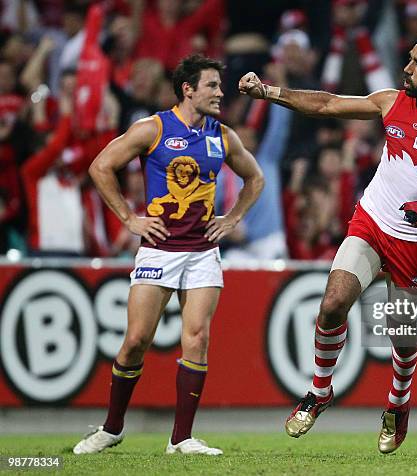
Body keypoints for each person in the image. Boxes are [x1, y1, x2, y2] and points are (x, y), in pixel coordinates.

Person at [239, 33, 417, 454]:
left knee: (399, 333)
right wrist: (268, 92)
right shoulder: (390, 101)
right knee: (332, 303)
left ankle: (397, 403)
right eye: (410, 59)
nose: (408, 69)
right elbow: (326, 104)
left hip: (415, 239)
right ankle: (319, 392)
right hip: (372, 221)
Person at [73, 55, 264, 455]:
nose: (220, 92)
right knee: (136, 340)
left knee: (197, 338)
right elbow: (100, 166)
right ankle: (112, 428)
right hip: (158, 250)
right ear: (188, 89)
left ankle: (181, 438)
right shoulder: (153, 128)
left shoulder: (222, 135)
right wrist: (129, 218)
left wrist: (232, 218)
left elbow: (255, 178)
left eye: (219, 85)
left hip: (202, 253)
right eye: (211, 85)